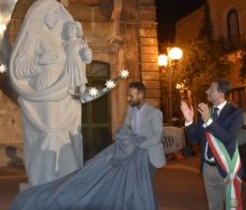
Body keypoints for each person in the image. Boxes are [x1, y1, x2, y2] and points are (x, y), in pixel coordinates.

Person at [10, 81, 165, 210]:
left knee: (143, 185)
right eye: (128, 95)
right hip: (130, 152)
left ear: (141, 95)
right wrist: (125, 140)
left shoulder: (154, 113)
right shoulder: (130, 110)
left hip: (147, 154)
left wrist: (138, 145)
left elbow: (157, 137)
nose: (128, 98)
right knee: (123, 180)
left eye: (131, 95)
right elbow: (125, 127)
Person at [9, 0, 84, 186]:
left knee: (67, 134)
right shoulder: (34, 36)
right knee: (51, 131)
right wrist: (39, 62)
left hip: (65, 92)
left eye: (58, 14)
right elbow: (19, 69)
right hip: (45, 93)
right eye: (53, 14)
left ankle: (67, 176)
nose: (56, 18)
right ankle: (45, 179)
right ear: (42, 15)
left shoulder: (63, 39)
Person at [180, 78, 244, 210]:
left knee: (231, 207)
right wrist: (189, 121)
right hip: (207, 169)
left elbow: (228, 138)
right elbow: (193, 139)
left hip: (227, 169)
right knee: (214, 207)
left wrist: (208, 121)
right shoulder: (205, 111)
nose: (206, 91)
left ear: (221, 93)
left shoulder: (236, 113)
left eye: (211, 89)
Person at [62, 21, 92, 94]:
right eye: (68, 28)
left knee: (81, 82)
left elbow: (87, 57)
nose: (69, 30)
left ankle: (81, 94)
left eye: (72, 28)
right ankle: (70, 100)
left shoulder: (80, 42)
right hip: (68, 66)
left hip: (78, 66)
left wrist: (87, 52)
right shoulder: (64, 44)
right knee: (70, 84)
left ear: (77, 30)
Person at [237, 112, 246, 182]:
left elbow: (245, 126)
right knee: (235, 161)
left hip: (243, 141)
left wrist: (236, 123)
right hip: (233, 142)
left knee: (244, 160)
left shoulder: (241, 113)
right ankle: (237, 176)